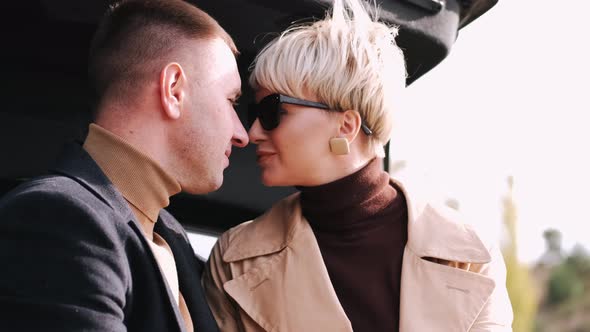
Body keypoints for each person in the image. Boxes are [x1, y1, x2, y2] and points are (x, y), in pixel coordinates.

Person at [202, 0, 514, 331]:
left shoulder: (469, 256)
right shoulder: (235, 260)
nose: (253, 133)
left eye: (271, 112)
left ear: (346, 126)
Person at [0, 0, 248, 331]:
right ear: (173, 90)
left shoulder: (171, 237)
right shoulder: (59, 217)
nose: (241, 134)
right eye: (231, 100)